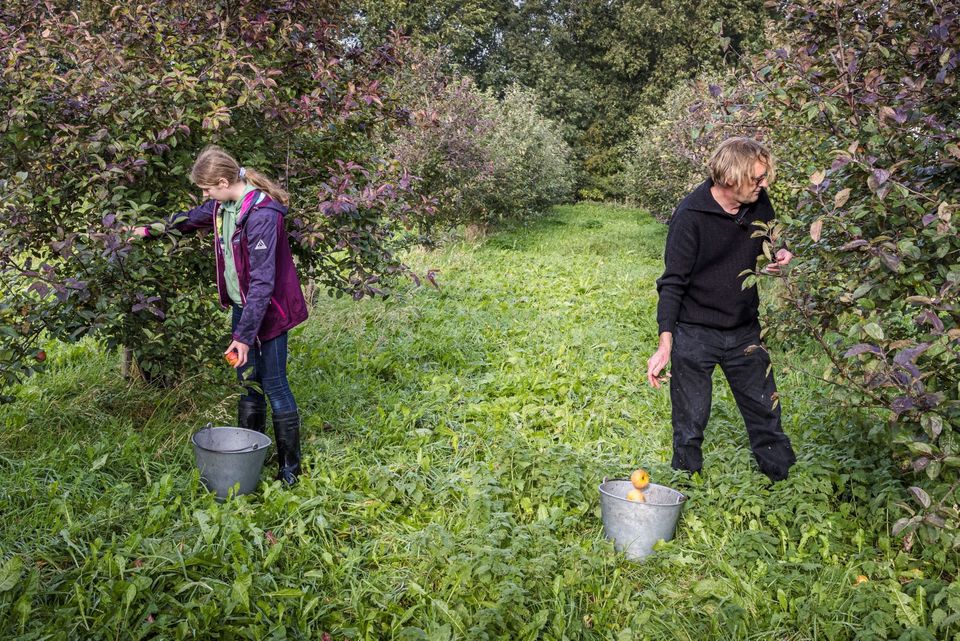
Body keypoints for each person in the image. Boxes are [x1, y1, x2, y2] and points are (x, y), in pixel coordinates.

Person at [132, 145, 309, 485]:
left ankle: (290, 468)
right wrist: (149, 230)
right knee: (246, 380)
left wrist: (243, 337)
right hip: (244, 306)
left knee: (273, 383)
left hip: (271, 310)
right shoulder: (222, 205)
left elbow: (263, 283)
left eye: (207, 189)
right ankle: (249, 452)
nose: (205, 195)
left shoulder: (262, 216)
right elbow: (190, 219)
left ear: (224, 181)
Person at [646, 137, 797, 482]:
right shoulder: (690, 217)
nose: (764, 184)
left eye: (764, 178)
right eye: (757, 179)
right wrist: (665, 344)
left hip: (744, 328)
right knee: (690, 419)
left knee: (765, 411)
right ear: (731, 178)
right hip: (695, 332)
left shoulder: (758, 202)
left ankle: (785, 483)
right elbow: (672, 283)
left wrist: (781, 252)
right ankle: (686, 483)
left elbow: (770, 235)